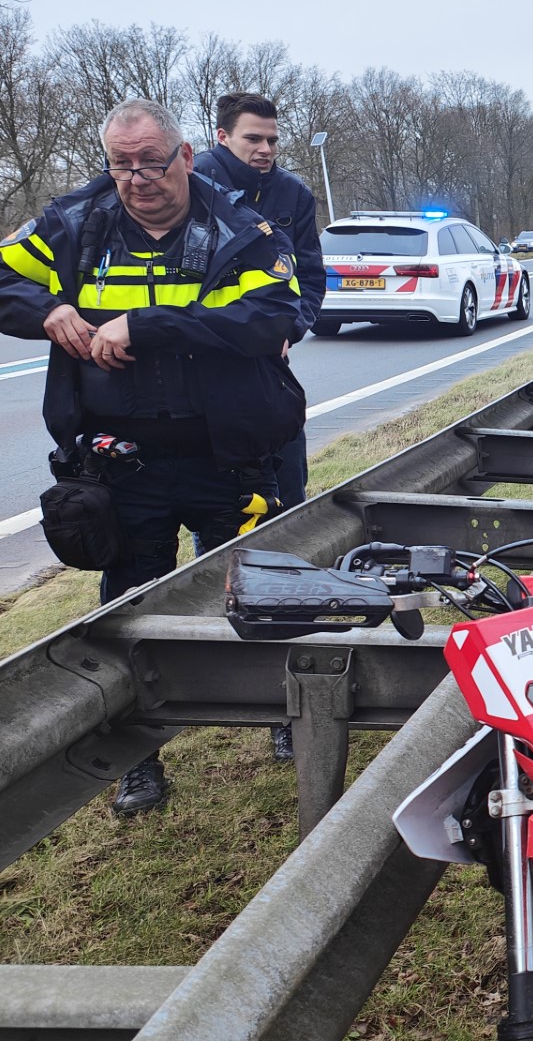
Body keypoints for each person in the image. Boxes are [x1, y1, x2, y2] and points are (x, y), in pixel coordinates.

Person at [0, 98, 305, 813]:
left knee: (259, 591)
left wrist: (150, 325)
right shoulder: (75, 222)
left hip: (225, 453)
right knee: (128, 607)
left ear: (187, 157)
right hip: (121, 462)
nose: (136, 179)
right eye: (120, 164)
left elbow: (270, 317)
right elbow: (3, 279)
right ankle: (140, 757)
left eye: (150, 162)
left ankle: (288, 713)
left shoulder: (239, 228)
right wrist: (47, 310)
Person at [193, 91, 324, 763]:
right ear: (221, 136)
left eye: (273, 140)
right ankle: (206, 676)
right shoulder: (190, 191)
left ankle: (285, 701)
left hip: (267, 390)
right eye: (254, 140)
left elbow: (311, 278)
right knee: (211, 536)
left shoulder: (294, 196)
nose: (266, 151)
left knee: (285, 527)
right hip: (197, 396)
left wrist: (289, 329)